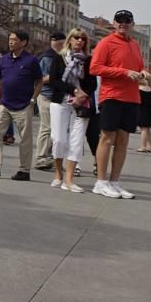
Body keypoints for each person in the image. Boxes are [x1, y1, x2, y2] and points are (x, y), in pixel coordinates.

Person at [89, 9, 149, 198]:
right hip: (112, 96)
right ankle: (100, 182)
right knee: (107, 138)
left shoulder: (135, 44)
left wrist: (144, 72)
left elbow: (139, 66)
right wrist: (123, 72)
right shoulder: (106, 43)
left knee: (123, 140)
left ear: (132, 24)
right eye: (119, 20)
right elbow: (95, 68)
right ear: (114, 23)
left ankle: (114, 181)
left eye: (127, 20)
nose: (123, 23)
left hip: (132, 97)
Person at [0, 30, 43, 181]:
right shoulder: (4, 60)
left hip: (23, 105)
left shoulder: (31, 61)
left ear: (23, 42)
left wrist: (33, 99)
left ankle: (24, 170)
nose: (11, 42)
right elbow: (0, 81)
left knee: (25, 139)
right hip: (4, 104)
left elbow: (39, 81)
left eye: (14, 40)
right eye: (10, 39)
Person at [49, 29, 96, 193]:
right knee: (59, 139)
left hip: (81, 105)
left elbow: (92, 84)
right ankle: (58, 173)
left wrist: (82, 96)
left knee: (76, 141)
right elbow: (54, 80)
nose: (80, 41)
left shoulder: (89, 60)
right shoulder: (59, 58)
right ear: (70, 39)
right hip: (60, 102)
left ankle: (69, 179)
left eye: (83, 39)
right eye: (77, 38)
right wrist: (74, 91)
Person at [34, 32, 67, 171]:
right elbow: (40, 78)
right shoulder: (48, 57)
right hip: (46, 95)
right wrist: (57, 77)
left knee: (54, 129)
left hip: (55, 96)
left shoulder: (57, 56)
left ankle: (49, 157)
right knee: (47, 127)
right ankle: (41, 157)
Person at [137, 79, 151, 153]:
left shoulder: (138, 89)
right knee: (148, 129)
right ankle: (150, 147)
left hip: (141, 110)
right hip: (149, 111)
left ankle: (143, 146)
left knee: (143, 129)